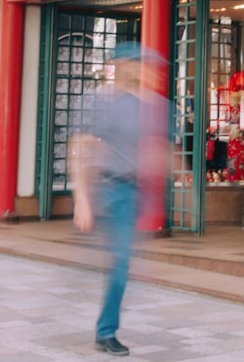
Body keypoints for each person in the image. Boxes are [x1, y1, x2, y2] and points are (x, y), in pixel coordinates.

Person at [70, 42, 167, 357]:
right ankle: (106, 332)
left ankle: (106, 326)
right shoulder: (97, 101)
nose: (140, 69)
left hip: (129, 192)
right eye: (135, 63)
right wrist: (81, 199)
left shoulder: (148, 105)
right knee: (121, 260)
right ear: (120, 64)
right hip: (106, 188)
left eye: (143, 64)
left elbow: (153, 149)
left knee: (121, 262)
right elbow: (80, 149)